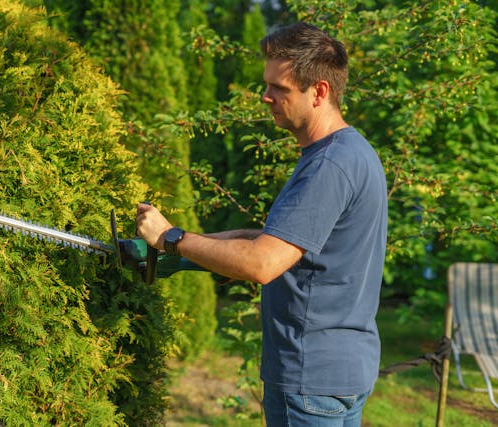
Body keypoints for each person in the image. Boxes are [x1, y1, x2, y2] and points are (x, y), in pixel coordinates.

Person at [137, 22, 387, 427]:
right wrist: (182, 251)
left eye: (280, 89)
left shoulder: (328, 165)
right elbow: (278, 243)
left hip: (309, 378)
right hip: (341, 370)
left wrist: (172, 238)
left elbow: (262, 263)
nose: (265, 96)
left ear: (319, 91)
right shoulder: (353, 152)